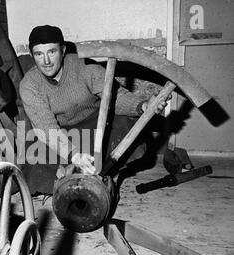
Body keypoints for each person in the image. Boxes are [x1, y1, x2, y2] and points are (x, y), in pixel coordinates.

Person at [19, 25, 167, 191]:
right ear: (32, 55)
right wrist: (73, 154)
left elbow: (115, 97)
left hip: (94, 126)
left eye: (52, 52)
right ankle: (73, 173)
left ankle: (86, 171)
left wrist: (142, 105)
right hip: (60, 134)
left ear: (63, 50)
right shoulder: (29, 85)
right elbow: (46, 128)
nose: (46, 61)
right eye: (39, 54)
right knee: (33, 160)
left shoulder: (84, 67)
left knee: (125, 126)